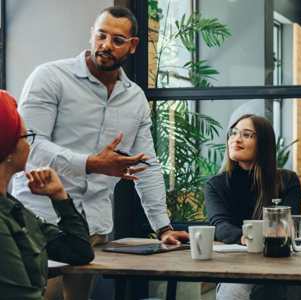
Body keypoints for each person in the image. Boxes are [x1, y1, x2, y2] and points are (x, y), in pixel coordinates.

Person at [11, 6, 188, 300]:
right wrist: (91, 164)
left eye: (117, 40)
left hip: (91, 228)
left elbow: (147, 165)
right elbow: (31, 147)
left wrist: (163, 228)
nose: (105, 45)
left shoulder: (134, 99)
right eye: (101, 35)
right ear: (91, 34)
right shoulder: (50, 78)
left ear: (132, 46)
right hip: (41, 221)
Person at [205, 114, 301, 300]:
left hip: (281, 261)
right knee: (233, 291)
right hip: (237, 263)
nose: (236, 139)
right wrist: (246, 238)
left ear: (263, 143)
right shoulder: (216, 184)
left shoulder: (287, 181)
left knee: (297, 287)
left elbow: (285, 226)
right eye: (234, 133)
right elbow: (219, 225)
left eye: (247, 135)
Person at [0, 90, 94, 299]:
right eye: (26, 136)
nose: (29, 144)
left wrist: (59, 196)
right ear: (8, 148)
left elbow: (79, 252)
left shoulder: (13, 209)